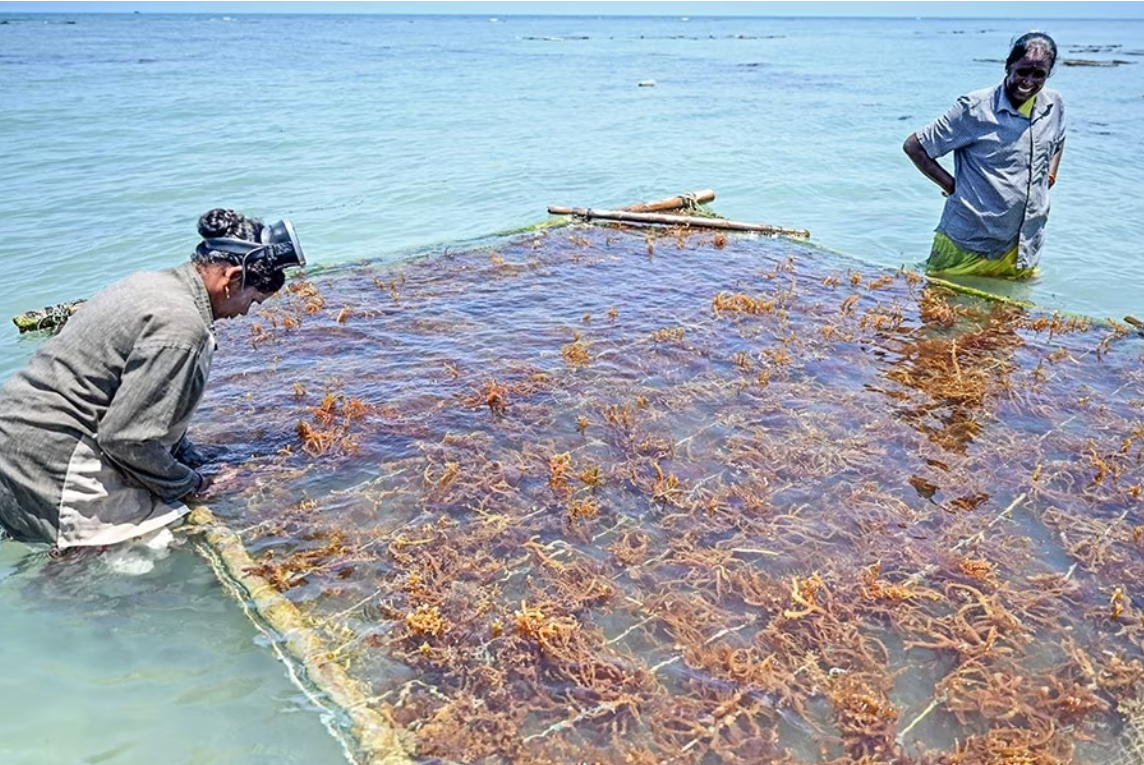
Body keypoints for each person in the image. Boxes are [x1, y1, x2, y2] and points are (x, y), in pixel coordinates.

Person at [0, 209, 306, 550]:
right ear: (231, 278)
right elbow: (127, 439)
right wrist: (193, 483)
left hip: (13, 439)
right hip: (54, 459)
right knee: (147, 553)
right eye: (252, 300)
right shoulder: (182, 327)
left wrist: (189, 457)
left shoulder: (150, 283)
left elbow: (135, 399)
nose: (245, 312)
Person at [903, 31, 1066, 280]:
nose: (1028, 81)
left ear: (1049, 73)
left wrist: (1050, 176)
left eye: (1039, 74)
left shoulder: (1054, 105)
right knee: (943, 315)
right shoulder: (975, 108)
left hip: (1024, 247)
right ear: (1008, 66)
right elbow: (915, 147)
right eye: (1022, 71)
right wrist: (953, 186)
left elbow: (1058, 141)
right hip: (968, 244)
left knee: (1013, 316)